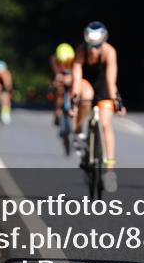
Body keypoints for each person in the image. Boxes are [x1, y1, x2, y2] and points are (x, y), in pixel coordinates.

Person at [70, 21, 126, 193]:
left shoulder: (109, 52)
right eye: (90, 46)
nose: (93, 50)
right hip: (86, 84)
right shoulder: (80, 52)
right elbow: (76, 78)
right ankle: (79, 131)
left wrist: (117, 101)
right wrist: (74, 100)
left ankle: (109, 170)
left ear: (103, 42)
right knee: (85, 96)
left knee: (106, 123)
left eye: (97, 46)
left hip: (103, 86)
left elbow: (110, 80)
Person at [50, 43, 75, 126]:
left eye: (68, 62)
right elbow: (56, 74)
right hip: (60, 76)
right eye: (62, 63)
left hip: (69, 76)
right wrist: (58, 77)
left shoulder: (73, 60)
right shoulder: (54, 60)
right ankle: (58, 109)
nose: (64, 65)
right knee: (58, 88)